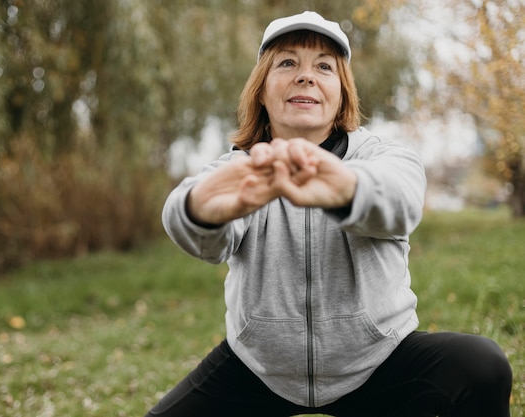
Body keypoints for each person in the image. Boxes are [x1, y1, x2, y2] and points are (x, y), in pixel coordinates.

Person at [146, 11, 513, 417]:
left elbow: (400, 203)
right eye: (287, 63)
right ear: (262, 92)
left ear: (341, 94)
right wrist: (200, 211)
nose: (306, 76)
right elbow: (186, 213)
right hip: (260, 369)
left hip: (378, 363)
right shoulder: (244, 167)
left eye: (324, 67)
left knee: (481, 364)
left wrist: (343, 188)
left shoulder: (383, 156)